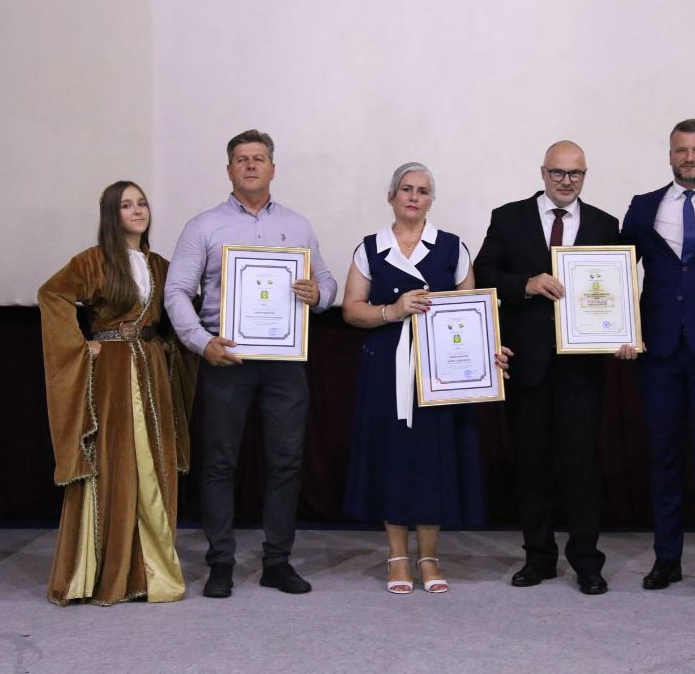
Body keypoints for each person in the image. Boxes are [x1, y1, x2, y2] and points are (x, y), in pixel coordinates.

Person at [164, 129, 338, 598]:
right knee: (219, 463)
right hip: (226, 359)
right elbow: (176, 291)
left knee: (286, 462)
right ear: (229, 170)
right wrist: (202, 343)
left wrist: (319, 294)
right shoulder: (203, 226)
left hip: (284, 362)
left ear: (272, 168)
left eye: (259, 158)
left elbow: (326, 281)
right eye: (242, 159)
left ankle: (277, 561)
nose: (251, 165)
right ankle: (220, 561)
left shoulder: (298, 225)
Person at [342, 162, 511, 594]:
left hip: (441, 372)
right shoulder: (370, 249)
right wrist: (393, 310)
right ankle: (398, 557)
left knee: (435, 461)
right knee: (393, 459)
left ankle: (430, 557)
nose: (414, 197)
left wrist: (489, 352)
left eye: (422, 191)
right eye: (406, 189)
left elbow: (472, 313)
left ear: (431, 200)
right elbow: (352, 310)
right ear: (391, 197)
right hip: (387, 369)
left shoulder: (452, 248)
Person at [39, 180, 195, 606]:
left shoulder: (161, 265)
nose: (138, 210)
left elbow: (181, 313)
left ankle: (148, 571)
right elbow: (52, 294)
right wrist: (81, 345)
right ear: (112, 214)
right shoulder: (94, 261)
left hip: (151, 373)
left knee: (153, 462)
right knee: (115, 463)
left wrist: (167, 347)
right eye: (127, 205)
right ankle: (103, 573)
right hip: (111, 373)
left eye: (142, 203)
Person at [474, 140, 619, 595]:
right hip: (528, 362)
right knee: (530, 464)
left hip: (582, 367)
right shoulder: (508, 217)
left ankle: (586, 561)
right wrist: (527, 283)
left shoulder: (605, 224)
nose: (566, 181)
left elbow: (615, 290)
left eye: (575, 174)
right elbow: (484, 273)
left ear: (585, 176)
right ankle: (538, 557)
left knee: (582, 466)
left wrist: (623, 331)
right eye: (558, 172)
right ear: (542, 173)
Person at [619, 119, 695, 591]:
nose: (689, 158)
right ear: (669, 154)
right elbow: (615, 273)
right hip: (659, 353)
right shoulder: (643, 206)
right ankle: (666, 558)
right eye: (681, 150)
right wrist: (621, 329)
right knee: (664, 458)